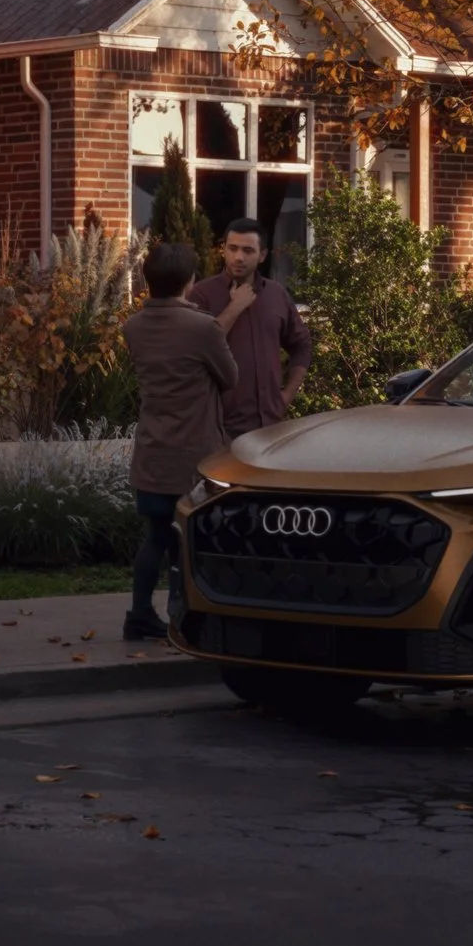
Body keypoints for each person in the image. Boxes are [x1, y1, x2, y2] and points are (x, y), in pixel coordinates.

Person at [122, 238, 237, 640]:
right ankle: (182, 616)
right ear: (189, 280)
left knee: (155, 536)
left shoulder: (133, 327)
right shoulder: (202, 327)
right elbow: (230, 377)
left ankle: (138, 613)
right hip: (194, 455)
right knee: (189, 539)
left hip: (153, 450)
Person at [190, 217, 312, 439]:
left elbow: (302, 346)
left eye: (248, 250)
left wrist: (286, 396)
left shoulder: (277, 295)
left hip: (270, 426)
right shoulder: (202, 295)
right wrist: (235, 307)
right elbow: (197, 350)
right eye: (232, 248)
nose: (238, 257)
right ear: (223, 250)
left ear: (262, 255)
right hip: (219, 430)